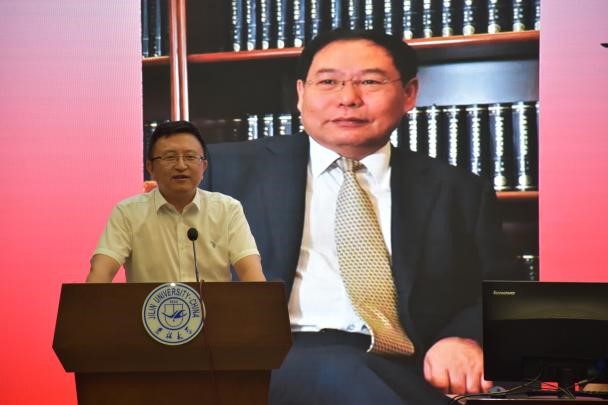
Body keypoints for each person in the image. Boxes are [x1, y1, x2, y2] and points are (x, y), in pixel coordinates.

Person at [202, 29, 522, 404]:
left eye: (370, 82)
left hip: (401, 366)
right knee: (340, 367)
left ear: (409, 94)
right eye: (328, 82)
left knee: (355, 372)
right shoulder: (222, 171)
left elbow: (501, 290)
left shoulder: (458, 190)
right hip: (270, 360)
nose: (348, 99)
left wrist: (464, 338)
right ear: (301, 94)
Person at [87, 120, 265, 283]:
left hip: (213, 309)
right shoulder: (128, 212)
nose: (181, 165)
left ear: (203, 167)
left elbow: (251, 272)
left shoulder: (227, 209)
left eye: (190, 157)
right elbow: (101, 272)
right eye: (170, 157)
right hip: (148, 309)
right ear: (150, 168)